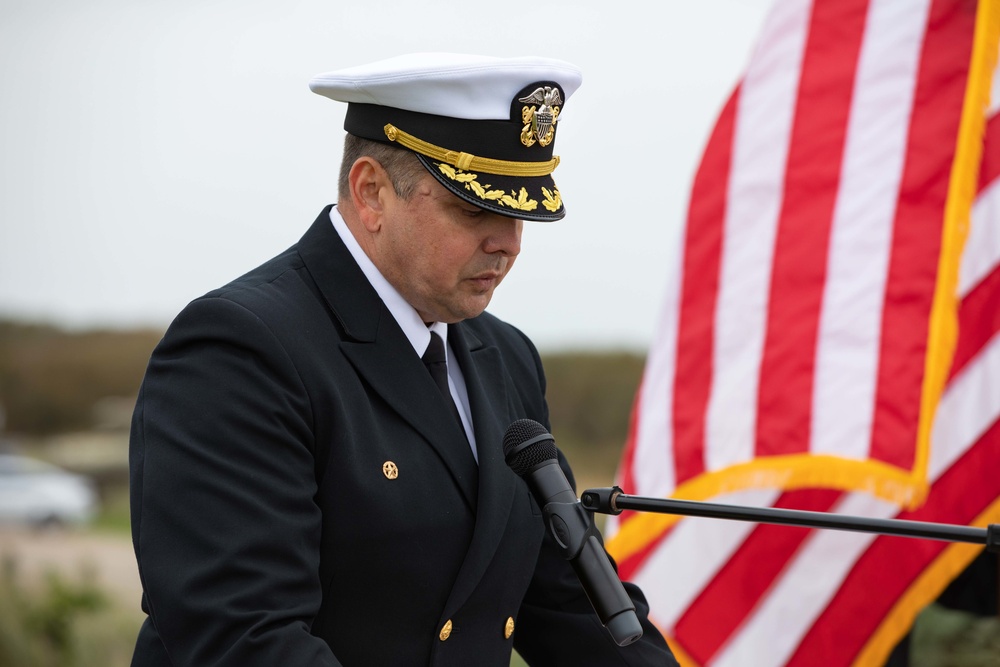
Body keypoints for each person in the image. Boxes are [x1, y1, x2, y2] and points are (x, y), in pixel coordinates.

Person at [128, 52, 678, 666]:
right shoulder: (240, 348)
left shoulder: (506, 356)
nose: (509, 242)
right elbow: (241, 637)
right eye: (476, 209)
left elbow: (569, 606)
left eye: (521, 211)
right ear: (371, 193)